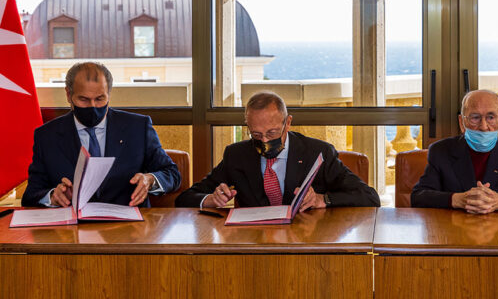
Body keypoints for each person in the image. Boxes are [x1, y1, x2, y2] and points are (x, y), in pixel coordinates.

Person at [175, 91, 380, 209]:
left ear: (287, 123)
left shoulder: (317, 152)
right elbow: (184, 199)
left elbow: (370, 197)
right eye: (256, 135)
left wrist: (321, 199)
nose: (264, 141)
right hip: (254, 245)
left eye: (272, 133)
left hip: (305, 243)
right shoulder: (236, 156)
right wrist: (210, 199)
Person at [22, 62, 181, 207]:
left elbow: (172, 174)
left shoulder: (138, 127)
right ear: (68, 94)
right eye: (83, 99)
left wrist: (150, 180)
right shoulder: (47, 135)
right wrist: (52, 197)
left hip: (128, 231)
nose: (92, 106)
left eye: (100, 99)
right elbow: (30, 195)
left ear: (109, 94)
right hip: (69, 232)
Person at [411, 89, 498, 213]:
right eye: (475, 117)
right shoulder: (441, 150)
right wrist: (457, 199)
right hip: (455, 230)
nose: (483, 126)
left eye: (491, 117)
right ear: (461, 122)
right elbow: (418, 196)